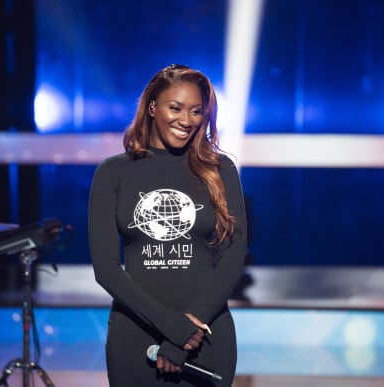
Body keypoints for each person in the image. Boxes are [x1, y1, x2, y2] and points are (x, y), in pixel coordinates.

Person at [88, 64, 247, 386]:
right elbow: (105, 268)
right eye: (175, 108)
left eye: (196, 111)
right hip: (136, 334)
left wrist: (187, 332)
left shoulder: (220, 169)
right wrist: (174, 328)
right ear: (151, 107)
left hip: (205, 333)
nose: (186, 120)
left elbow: (232, 259)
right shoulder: (113, 172)